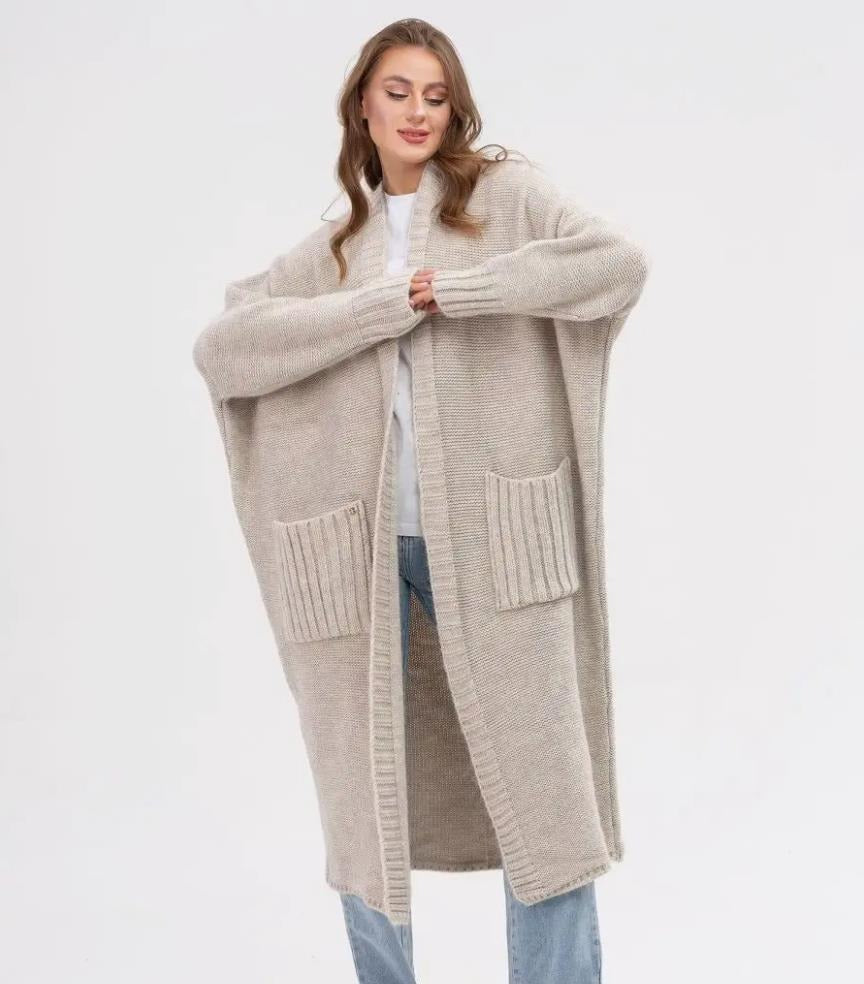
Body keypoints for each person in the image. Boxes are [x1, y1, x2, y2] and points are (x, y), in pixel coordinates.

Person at [193, 16, 648, 984]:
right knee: (361, 805)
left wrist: (465, 289)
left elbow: (617, 264)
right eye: (397, 92)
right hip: (358, 557)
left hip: (502, 541)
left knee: (546, 803)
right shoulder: (336, 249)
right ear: (363, 104)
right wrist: (377, 307)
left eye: (435, 96)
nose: (417, 112)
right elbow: (224, 349)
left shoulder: (508, 196)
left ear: (455, 109)